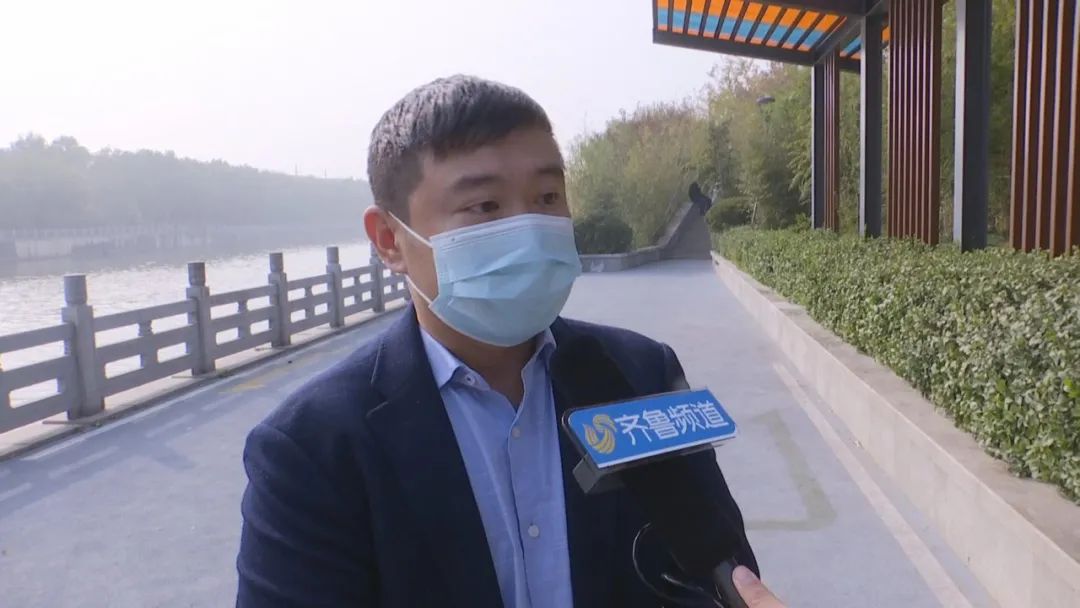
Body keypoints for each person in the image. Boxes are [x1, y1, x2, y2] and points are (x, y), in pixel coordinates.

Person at [235, 75, 757, 608]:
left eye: (547, 197)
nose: (529, 229)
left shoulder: (640, 373)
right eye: (485, 206)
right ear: (390, 240)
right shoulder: (311, 449)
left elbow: (728, 578)